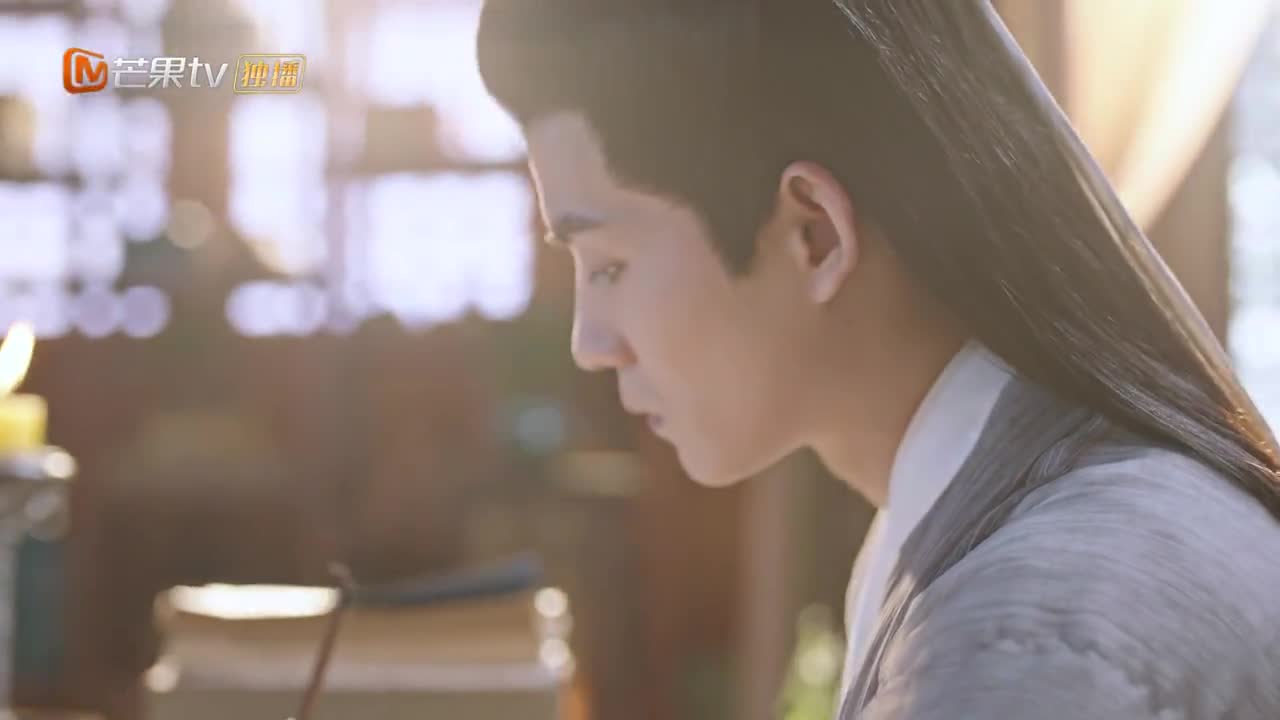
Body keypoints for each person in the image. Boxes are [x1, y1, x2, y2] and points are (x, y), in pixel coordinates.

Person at [475, 1, 1280, 717]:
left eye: (609, 266)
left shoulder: (1031, 647)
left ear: (815, 235)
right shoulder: (982, 526)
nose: (591, 343)